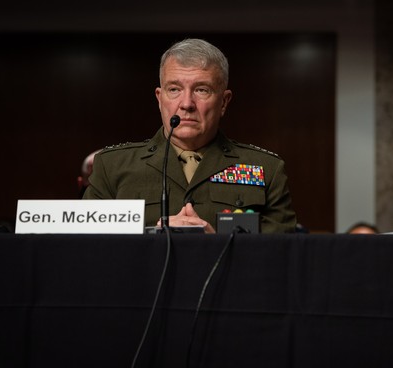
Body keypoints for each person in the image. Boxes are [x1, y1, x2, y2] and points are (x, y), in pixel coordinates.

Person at [83, 38, 297, 233]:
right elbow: (87, 249)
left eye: (201, 90)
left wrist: (216, 242)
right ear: (160, 98)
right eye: (174, 89)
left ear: (223, 102)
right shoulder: (111, 167)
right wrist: (152, 236)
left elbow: (282, 256)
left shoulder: (266, 169)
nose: (186, 104)